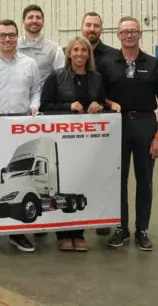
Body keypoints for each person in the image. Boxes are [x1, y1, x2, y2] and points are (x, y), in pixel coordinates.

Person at [40, 35, 119, 251]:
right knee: (64, 186)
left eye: (83, 51)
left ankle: (79, 231)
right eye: (75, 50)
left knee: (82, 184)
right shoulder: (56, 77)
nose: (79, 54)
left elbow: (101, 103)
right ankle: (63, 233)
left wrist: (99, 107)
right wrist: (68, 107)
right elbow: (44, 106)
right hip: (63, 141)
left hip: (87, 144)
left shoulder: (96, 78)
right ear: (69, 54)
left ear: (88, 55)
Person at [99, 17, 158, 251]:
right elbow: (100, 96)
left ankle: (142, 229)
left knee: (145, 180)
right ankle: (121, 228)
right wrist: (110, 103)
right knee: (118, 180)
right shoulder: (108, 63)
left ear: (140, 34)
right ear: (118, 36)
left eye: (133, 31)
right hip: (117, 126)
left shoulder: (153, 64)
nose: (129, 35)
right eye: (124, 32)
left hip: (145, 125)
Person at [0, 20, 39, 255]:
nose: (7, 40)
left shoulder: (30, 64)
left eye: (11, 35)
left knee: (17, 184)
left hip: (21, 131)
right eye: (2, 35)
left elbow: (36, 91)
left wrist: (34, 107)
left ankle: (16, 233)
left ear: (17, 37)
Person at [80, 11, 119, 235]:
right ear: (82, 27)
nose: (92, 29)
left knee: (104, 174)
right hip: (77, 125)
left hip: (104, 125)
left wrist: (107, 105)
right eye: (88, 25)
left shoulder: (113, 56)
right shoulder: (70, 52)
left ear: (101, 30)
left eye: (96, 26)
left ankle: (103, 218)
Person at [18, 4, 65, 91]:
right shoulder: (13, 47)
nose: (34, 20)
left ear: (43, 22)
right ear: (23, 21)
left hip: (43, 102)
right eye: (30, 17)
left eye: (38, 18)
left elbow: (61, 81)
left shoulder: (55, 50)